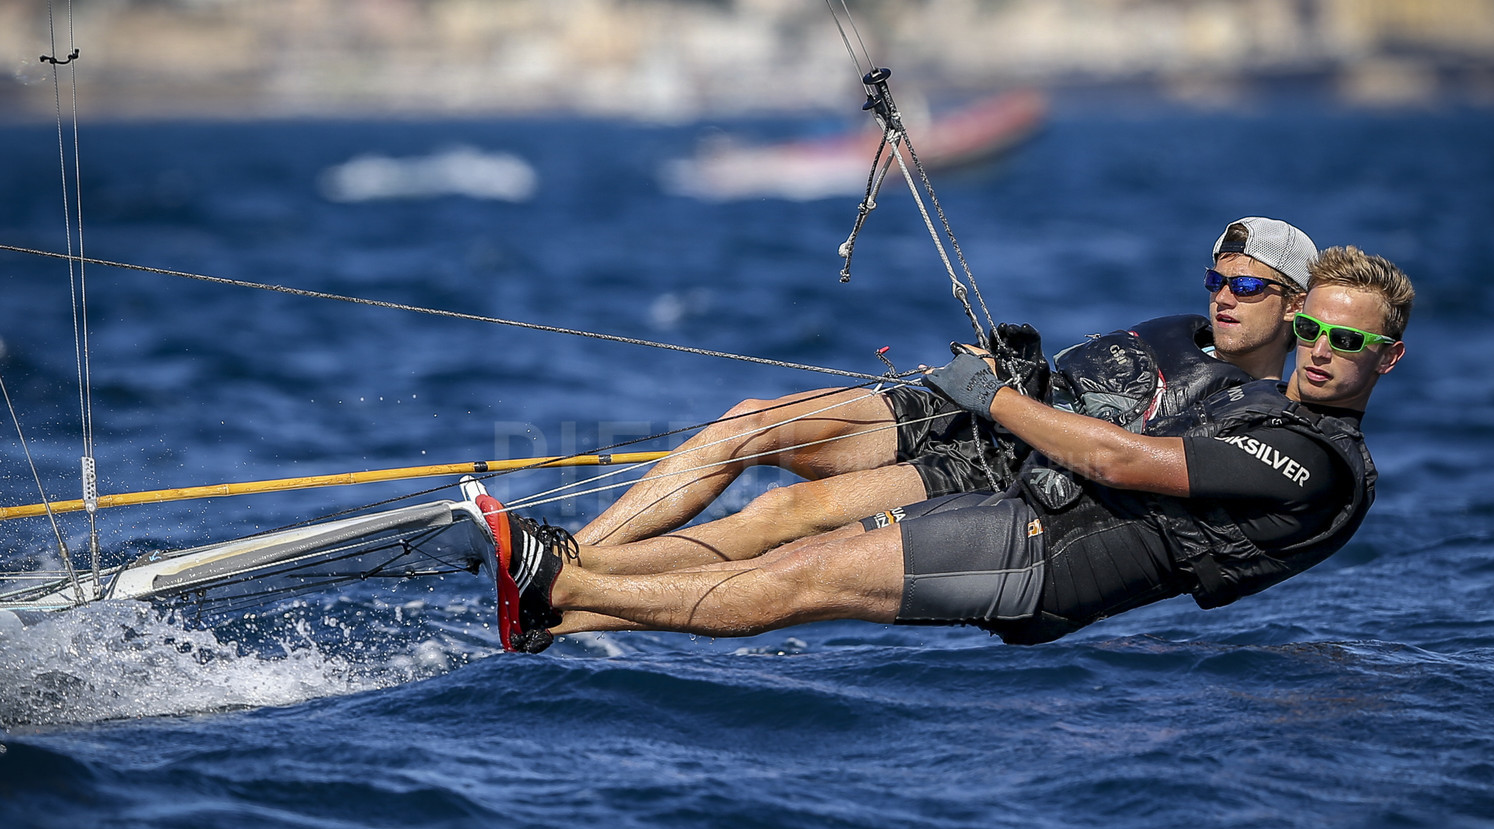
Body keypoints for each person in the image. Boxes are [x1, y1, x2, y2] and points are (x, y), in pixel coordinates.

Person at [480, 245, 1410, 650]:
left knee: (800, 577)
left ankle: (560, 578)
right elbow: (1105, 423)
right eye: (1323, 333)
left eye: (1352, 342)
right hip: (1032, 517)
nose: (1329, 352)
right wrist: (1025, 377)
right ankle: (555, 610)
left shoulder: (1311, 455)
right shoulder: (1246, 393)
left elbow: (1125, 462)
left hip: (1055, 563)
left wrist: (1001, 399)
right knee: (798, 554)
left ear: (1388, 358)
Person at [572, 217, 1317, 584]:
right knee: (751, 422)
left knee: (781, 516)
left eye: (1247, 287)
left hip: (1002, 466)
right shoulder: (1179, 329)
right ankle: (567, 558)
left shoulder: (1253, 411)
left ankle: (583, 582)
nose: (1224, 297)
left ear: (1294, 306)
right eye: (1216, 280)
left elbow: (1123, 465)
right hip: (969, 405)